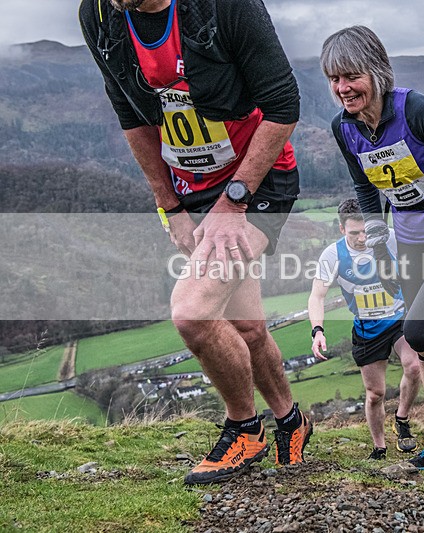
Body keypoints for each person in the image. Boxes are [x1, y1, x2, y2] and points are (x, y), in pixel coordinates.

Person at [79, 0, 312, 484]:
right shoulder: (99, 13)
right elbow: (130, 116)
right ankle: (292, 421)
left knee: (193, 312)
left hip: (257, 181)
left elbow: (284, 104)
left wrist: (234, 202)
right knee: (247, 327)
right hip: (192, 189)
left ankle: (245, 429)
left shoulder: (226, 6)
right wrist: (170, 205)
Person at [321, 26, 424, 470]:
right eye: (334, 79)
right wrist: (379, 247)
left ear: (376, 72)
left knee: (417, 331)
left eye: (351, 76)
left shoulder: (415, 110)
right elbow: (364, 186)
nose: (342, 88)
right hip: (409, 236)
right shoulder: (344, 127)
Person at [308, 199, 422, 460]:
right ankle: (379, 448)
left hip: (400, 318)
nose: (362, 239)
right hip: (367, 327)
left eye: (365, 232)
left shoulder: (390, 238)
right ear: (341, 229)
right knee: (375, 394)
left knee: (414, 366)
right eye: (354, 233)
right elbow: (317, 296)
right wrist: (318, 331)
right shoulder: (333, 255)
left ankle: (402, 419)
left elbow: (421, 262)